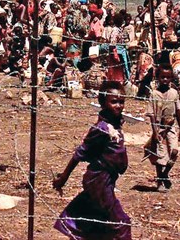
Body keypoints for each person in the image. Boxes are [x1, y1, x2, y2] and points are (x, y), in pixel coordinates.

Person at [52, 81, 131, 240]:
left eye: (121, 101)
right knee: (121, 223)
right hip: (99, 180)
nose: (119, 106)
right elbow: (80, 153)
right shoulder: (101, 128)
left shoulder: (114, 123)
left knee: (98, 220)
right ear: (102, 103)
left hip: (107, 179)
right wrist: (64, 178)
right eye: (114, 101)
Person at [145, 64, 180, 192]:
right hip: (159, 127)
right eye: (163, 77)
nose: (165, 80)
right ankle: (159, 181)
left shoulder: (173, 93)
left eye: (168, 77)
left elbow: (178, 111)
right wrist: (155, 132)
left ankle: (164, 174)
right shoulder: (154, 94)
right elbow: (151, 115)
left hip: (171, 126)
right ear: (158, 78)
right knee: (160, 155)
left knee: (174, 151)